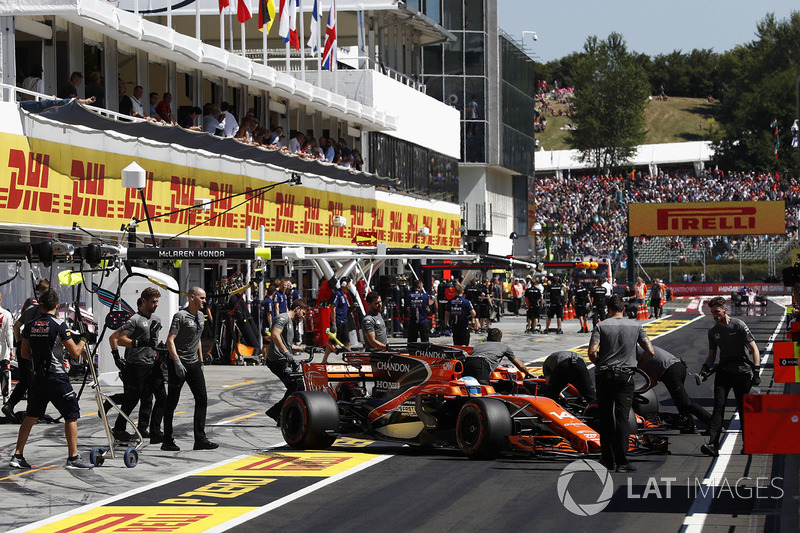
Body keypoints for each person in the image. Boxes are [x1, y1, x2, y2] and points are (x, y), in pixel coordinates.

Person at [9, 289, 94, 469]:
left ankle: (17, 455)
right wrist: (84, 339)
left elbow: (24, 353)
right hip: (57, 377)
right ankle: (73, 458)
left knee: (31, 416)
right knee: (71, 415)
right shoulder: (59, 325)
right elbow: (75, 352)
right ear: (57, 306)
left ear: (40, 306)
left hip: (38, 377)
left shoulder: (29, 326)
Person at [588, 295, 654, 473]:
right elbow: (650, 351)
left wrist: (601, 365)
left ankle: (608, 459)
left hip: (604, 376)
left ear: (608, 310)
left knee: (606, 418)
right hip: (626, 377)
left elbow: (592, 352)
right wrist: (637, 365)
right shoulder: (636, 326)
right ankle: (622, 461)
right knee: (622, 418)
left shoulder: (601, 326)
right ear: (623, 309)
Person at [700, 296, 760, 457]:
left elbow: (754, 349)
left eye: (717, 312)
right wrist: (705, 369)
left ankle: (749, 444)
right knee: (718, 409)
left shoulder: (738, 325)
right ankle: (713, 445)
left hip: (742, 373)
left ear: (725, 310)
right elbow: (712, 355)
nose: (715, 315)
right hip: (724, 372)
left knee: (744, 411)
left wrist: (756, 371)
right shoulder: (713, 332)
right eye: (712, 313)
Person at [162, 286, 218, 451]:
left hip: (194, 364)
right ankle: (167, 440)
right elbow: (170, 340)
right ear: (192, 297)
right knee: (172, 401)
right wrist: (177, 361)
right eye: (201, 298)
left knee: (202, 399)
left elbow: (198, 337)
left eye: (204, 298)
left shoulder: (201, 316)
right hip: (178, 363)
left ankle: (200, 439)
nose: (204, 301)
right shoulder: (180, 316)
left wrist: (201, 358)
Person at [108, 288, 166, 444]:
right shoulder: (134, 320)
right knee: (132, 400)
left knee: (158, 398)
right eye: (153, 301)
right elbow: (118, 339)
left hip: (152, 365)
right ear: (144, 301)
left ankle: (150, 430)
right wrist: (117, 356)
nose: (156, 304)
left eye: (157, 301)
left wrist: (162, 347)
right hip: (136, 366)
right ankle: (119, 427)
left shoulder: (157, 319)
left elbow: (153, 341)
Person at [636, 345, 711, 433]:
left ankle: (714, 424)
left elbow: (652, 380)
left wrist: (637, 392)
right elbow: (653, 379)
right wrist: (639, 391)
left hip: (671, 371)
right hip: (677, 366)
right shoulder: (638, 349)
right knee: (679, 401)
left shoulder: (633, 355)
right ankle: (688, 426)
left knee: (686, 402)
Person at [3, 279, 50, 420]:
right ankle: (32, 412)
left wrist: (18, 342)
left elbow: (17, 325)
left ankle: (10, 405)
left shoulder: (29, 303)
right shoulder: (44, 308)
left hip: (23, 345)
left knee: (25, 380)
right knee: (34, 382)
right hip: (34, 349)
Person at [264, 299, 310, 424]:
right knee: (296, 386)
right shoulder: (282, 318)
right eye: (303, 314)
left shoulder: (290, 321)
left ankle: (280, 413)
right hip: (277, 360)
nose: (303, 317)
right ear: (297, 309)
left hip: (283, 358)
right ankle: (278, 412)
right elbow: (274, 335)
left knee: (296, 386)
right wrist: (286, 353)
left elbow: (288, 345)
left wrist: (305, 348)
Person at [463, 328, 533, 384]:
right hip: (481, 364)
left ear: (487, 338)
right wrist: (528, 372)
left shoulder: (478, 345)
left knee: (467, 386)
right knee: (483, 389)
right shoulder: (504, 346)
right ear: (500, 340)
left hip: (467, 362)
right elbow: (520, 365)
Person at [0, 291, 14, 405]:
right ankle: (6, 397)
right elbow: (9, 333)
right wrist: (11, 349)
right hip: (3, 347)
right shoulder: (6, 314)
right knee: (5, 371)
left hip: (3, 345)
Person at [331, 277, 351, 349]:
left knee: (347, 341)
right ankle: (325, 359)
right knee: (333, 342)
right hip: (338, 321)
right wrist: (333, 323)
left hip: (344, 321)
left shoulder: (344, 295)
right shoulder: (337, 294)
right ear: (344, 284)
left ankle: (349, 357)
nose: (350, 285)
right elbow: (333, 308)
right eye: (349, 283)